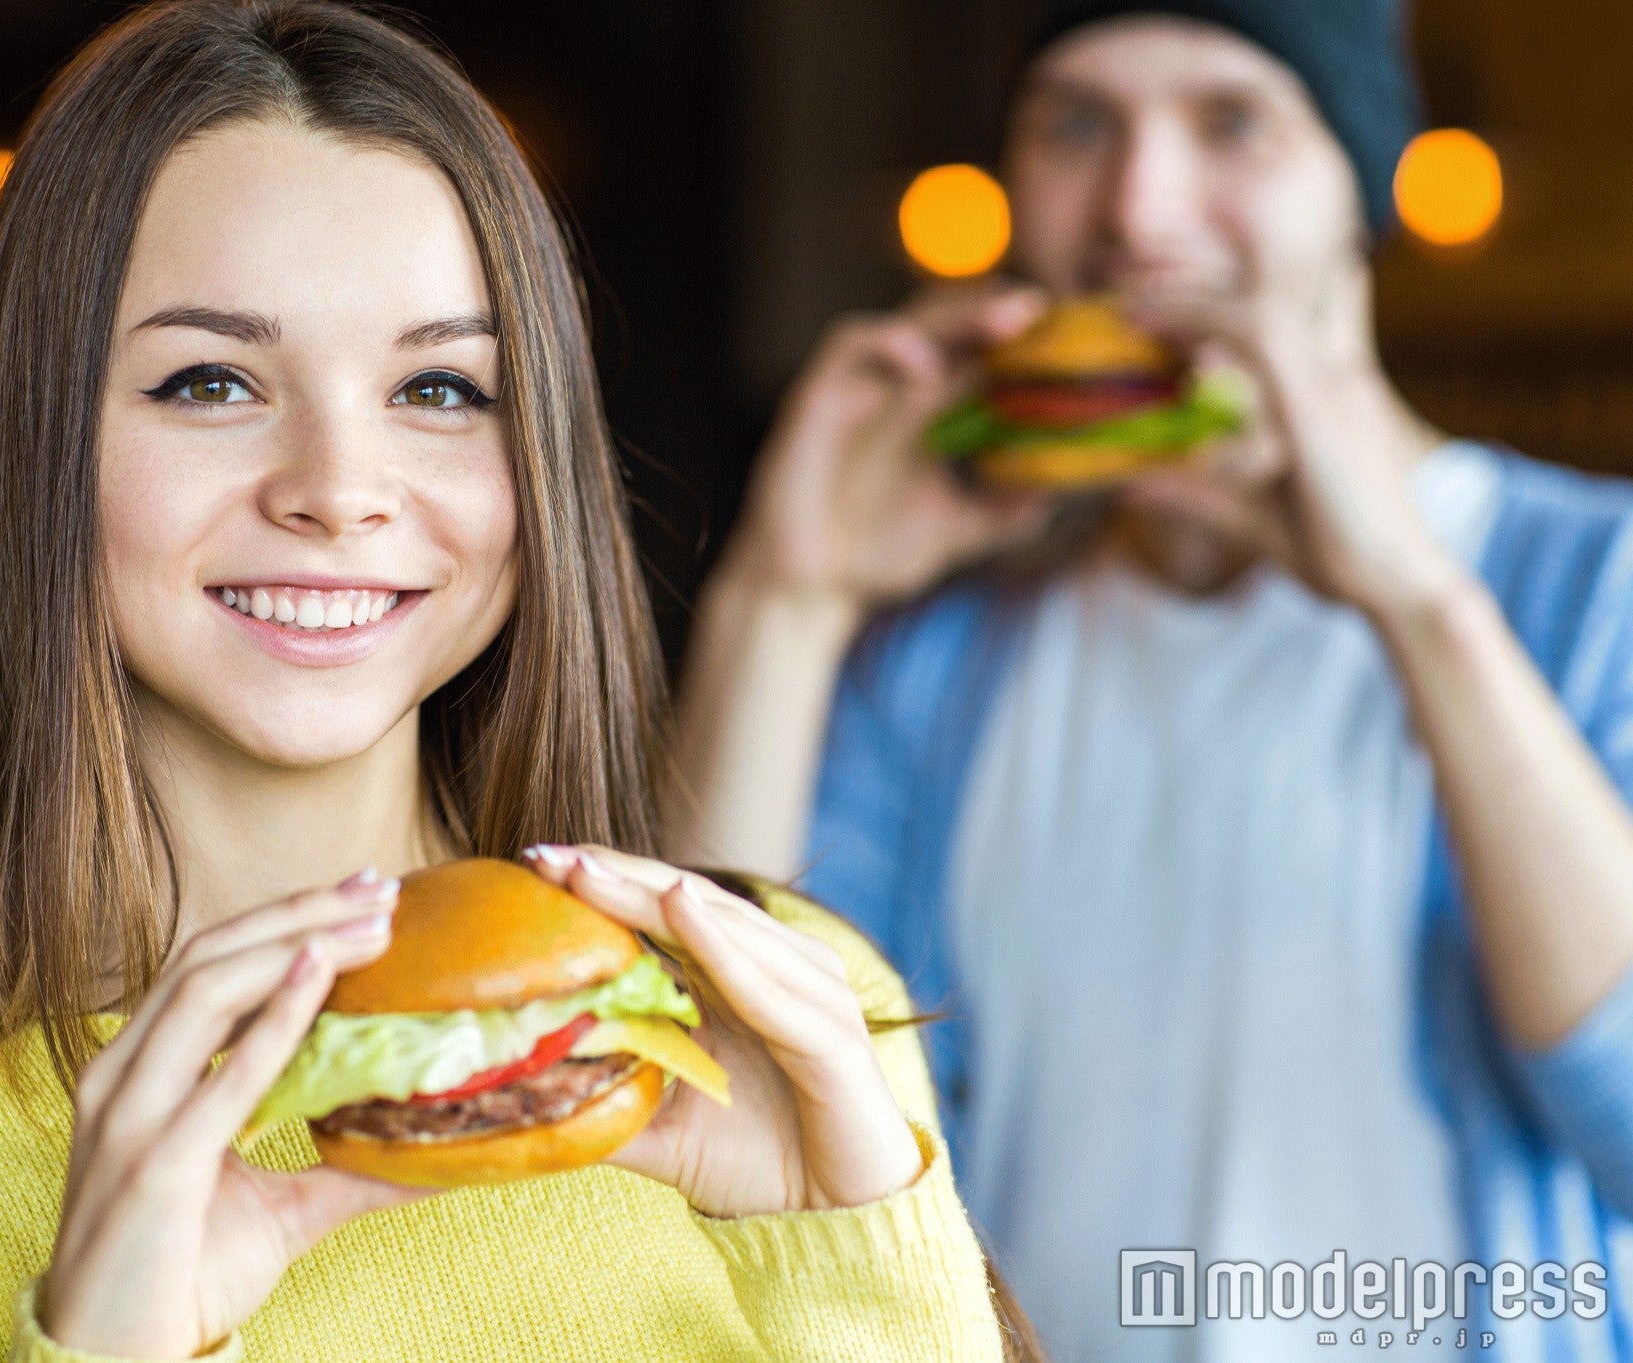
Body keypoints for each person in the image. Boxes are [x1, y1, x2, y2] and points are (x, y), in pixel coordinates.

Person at [0, 4, 1027, 1360]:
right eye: (209, 382)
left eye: (440, 390)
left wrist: (852, 1251)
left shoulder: (787, 1012)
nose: (338, 490)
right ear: (35, 447)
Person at [676, 2, 1633, 1359]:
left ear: (1358, 189)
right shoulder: (936, 654)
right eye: (1075, 123)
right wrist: (785, 596)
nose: (1137, 206)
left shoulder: (1593, 587)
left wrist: (1420, 605)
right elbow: (716, 1096)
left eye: (1234, 120)